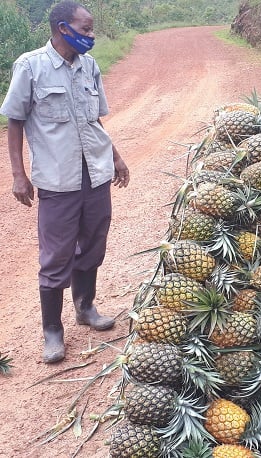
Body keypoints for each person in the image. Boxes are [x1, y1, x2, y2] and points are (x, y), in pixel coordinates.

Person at [0, 1, 129, 363]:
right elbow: (15, 121)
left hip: (95, 174)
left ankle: (85, 307)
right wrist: (18, 174)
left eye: (90, 29)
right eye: (85, 29)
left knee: (93, 243)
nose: (91, 35)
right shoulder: (30, 66)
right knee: (56, 256)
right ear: (62, 28)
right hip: (57, 180)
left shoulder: (89, 66)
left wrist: (115, 156)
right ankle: (52, 331)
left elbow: (93, 122)